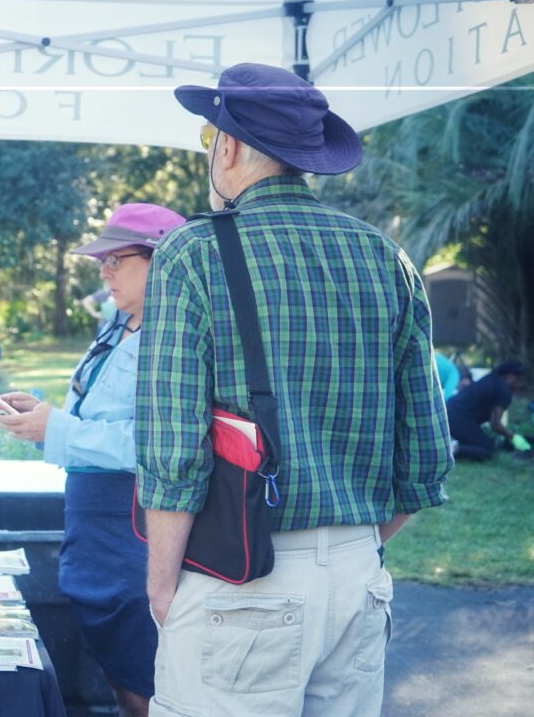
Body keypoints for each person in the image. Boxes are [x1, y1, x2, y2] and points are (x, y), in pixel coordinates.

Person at [134, 63, 454, 716]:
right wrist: (346, 548)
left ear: (227, 147)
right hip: (360, 578)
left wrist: (162, 587)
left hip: (240, 580)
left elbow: (174, 455)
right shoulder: (385, 257)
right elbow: (426, 463)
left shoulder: (191, 253)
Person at [0, 203, 186, 717]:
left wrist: (55, 427)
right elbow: (92, 413)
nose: (103, 271)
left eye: (116, 259)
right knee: (116, 667)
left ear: (160, 261)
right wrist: (40, 419)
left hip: (135, 526)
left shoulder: (174, 339)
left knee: (144, 672)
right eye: (101, 260)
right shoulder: (118, 324)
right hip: (92, 525)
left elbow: (156, 443)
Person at [446, 361, 528, 460]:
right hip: (459, 418)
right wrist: (513, 437)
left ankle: (453, 445)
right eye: (519, 380)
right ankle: (452, 450)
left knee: (484, 440)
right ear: (510, 376)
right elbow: (495, 424)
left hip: (449, 411)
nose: (520, 384)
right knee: (488, 449)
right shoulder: (504, 390)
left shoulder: (491, 379)